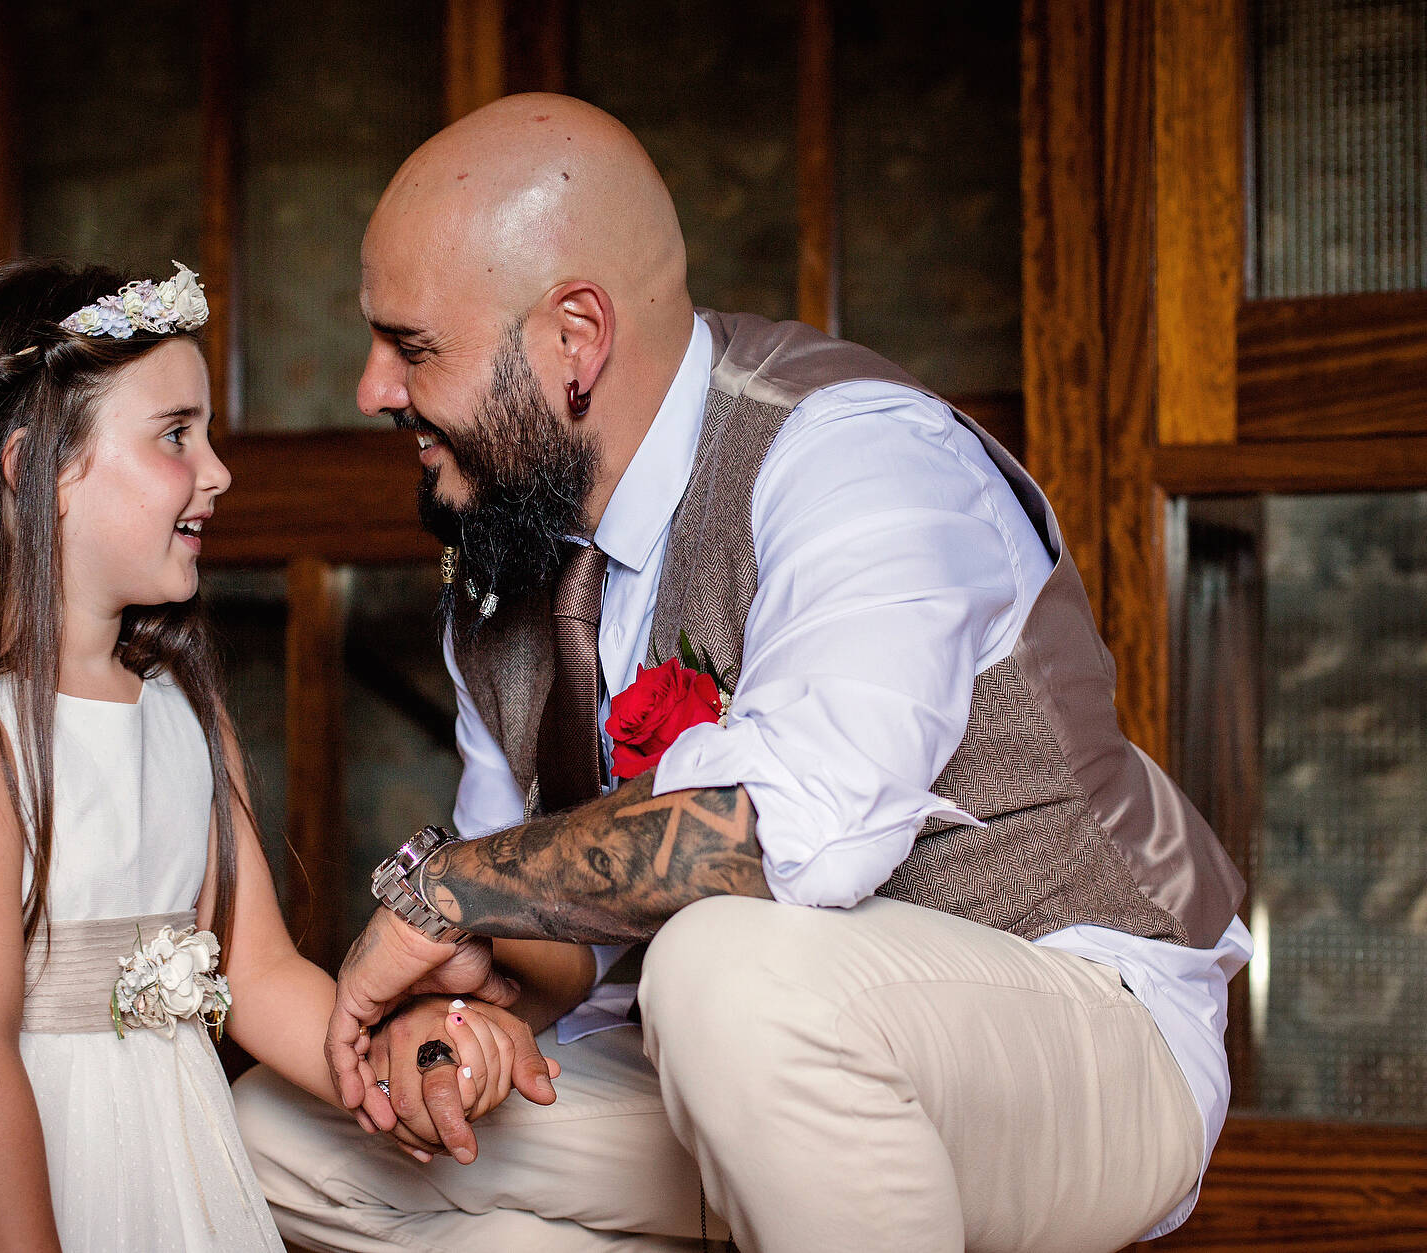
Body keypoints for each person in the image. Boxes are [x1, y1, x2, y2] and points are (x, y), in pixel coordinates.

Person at [233, 94, 1252, 1253]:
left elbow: (788, 836)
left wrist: (446, 888)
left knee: (726, 969)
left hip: (1075, 1023)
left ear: (575, 337)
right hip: (717, 1059)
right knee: (283, 1127)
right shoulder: (500, 560)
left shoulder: (852, 449)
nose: (370, 388)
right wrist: (465, 1026)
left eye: (411, 346)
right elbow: (550, 930)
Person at [0, 258, 557, 1252]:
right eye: (173, 435)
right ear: (37, 471)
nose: (218, 471)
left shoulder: (180, 707)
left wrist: (392, 1058)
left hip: (155, 1154)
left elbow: (262, 970)